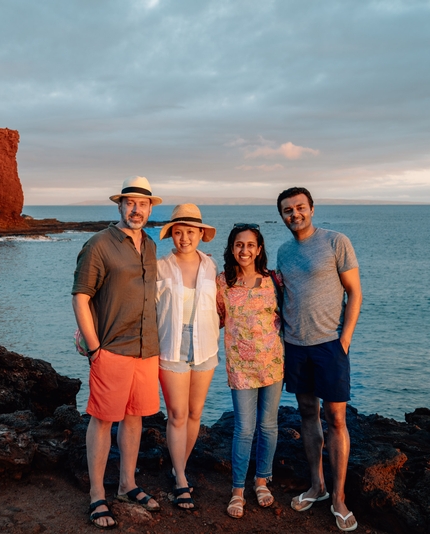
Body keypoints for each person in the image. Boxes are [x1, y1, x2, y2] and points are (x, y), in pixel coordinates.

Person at [72, 176, 163, 530]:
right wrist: (94, 348)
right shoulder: (98, 245)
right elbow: (81, 296)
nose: (136, 209)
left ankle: (127, 484)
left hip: (146, 347)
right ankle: (97, 494)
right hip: (111, 348)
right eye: (130, 203)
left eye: (142, 204)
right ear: (120, 206)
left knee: (135, 416)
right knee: (102, 419)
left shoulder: (151, 246)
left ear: (150, 208)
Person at [276, 187, 362, 532]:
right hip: (295, 345)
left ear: (311, 209)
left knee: (336, 418)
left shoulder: (335, 241)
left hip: (330, 345)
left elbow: (354, 291)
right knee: (307, 414)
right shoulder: (283, 251)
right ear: (282, 216)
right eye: (287, 210)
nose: (294, 214)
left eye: (299, 207)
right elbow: (283, 297)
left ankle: (339, 499)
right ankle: (317, 486)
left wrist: (345, 339)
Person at [216, 223, 284, 519]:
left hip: (272, 363)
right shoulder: (222, 283)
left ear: (259, 249)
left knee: (268, 426)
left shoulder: (273, 280)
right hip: (241, 367)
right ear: (232, 249)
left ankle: (261, 481)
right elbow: (213, 318)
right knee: (244, 428)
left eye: (250, 245)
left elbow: (288, 315)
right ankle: (237, 490)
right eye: (239, 245)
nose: (245, 250)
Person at [155, 204, 220, 511]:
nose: (184, 238)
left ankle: (178, 465)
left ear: (200, 234)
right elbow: (145, 309)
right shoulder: (160, 267)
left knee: (195, 413)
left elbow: (222, 306)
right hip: (171, 345)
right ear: (172, 235)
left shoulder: (211, 266)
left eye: (190, 232)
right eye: (178, 232)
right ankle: (181, 477)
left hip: (206, 345)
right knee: (177, 414)